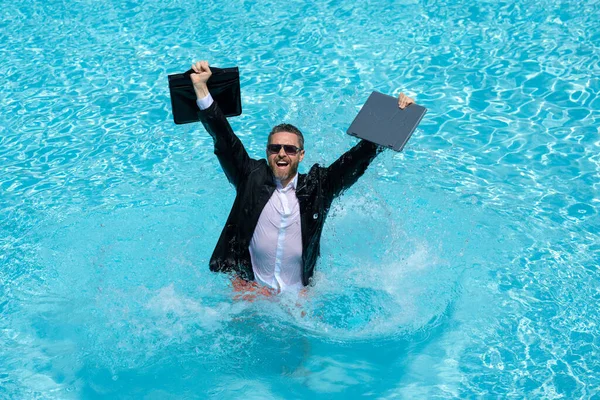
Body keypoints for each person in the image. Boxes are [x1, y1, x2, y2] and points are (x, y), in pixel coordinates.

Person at [191, 60, 414, 295]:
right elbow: (225, 140)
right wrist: (201, 90)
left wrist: (397, 116)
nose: (281, 154)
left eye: (289, 149)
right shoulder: (250, 177)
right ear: (267, 152)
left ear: (301, 155)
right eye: (275, 148)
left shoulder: (319, 187)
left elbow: (356, 160)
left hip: (297, 298)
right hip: (252, 293)